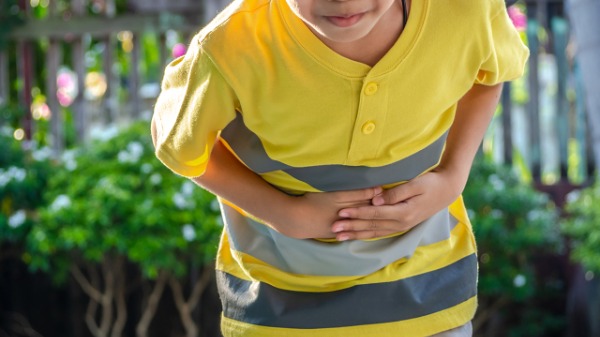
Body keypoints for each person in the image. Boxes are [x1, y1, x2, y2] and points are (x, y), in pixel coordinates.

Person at [151, 0, 529, 335]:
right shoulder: (229, 47)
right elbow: (179, 148)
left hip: (428, 299)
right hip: (281, 311)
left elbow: (491, 72)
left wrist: (452, 177)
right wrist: (283, 213)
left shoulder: (465, 9)